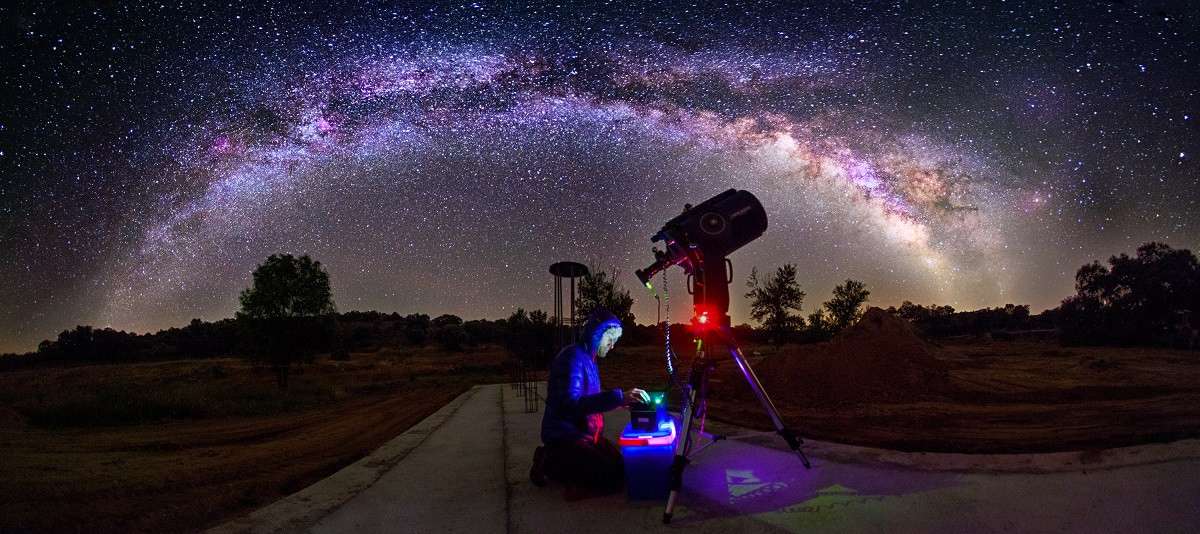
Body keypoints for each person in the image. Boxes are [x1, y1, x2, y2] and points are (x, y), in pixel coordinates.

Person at [529, 308, 650, 498]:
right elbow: (568, 403)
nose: (611, 347)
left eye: (614, 342)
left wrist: (623, 402)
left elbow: (590, 401)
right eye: (609, 340)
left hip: (585, 435)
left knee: (623, 470)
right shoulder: (571, 358)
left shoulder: (590, 361)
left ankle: (572, 469)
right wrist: (618, 398)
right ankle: (548, 461)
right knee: (611, 480)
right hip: (566, 439)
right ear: (596, 335)